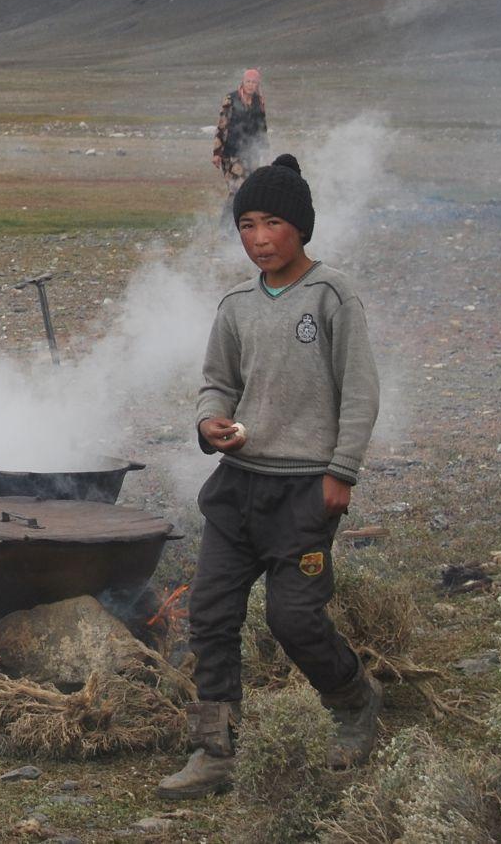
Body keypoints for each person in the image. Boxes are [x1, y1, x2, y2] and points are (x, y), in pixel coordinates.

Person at [159, 154, 383, 800]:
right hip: (237, 487)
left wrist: (342, 472)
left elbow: (360, 391)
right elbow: (217, 382)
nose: (259, 237)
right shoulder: (235, 305)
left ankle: (353, 701)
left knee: (293, 616)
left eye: (273, 222)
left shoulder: (332, 295)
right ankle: (215, 747)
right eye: (247, 224)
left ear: (302, 227)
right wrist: (210, 424)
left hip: (305, 489)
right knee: (209, 612)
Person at [212, 69, 268, 193]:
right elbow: (222, 125)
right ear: (243, 82)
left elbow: (262, 127)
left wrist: (264, 149)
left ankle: (239, 212)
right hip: (231, 153)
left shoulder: (259, 101)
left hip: (251, 153)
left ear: (257, 84)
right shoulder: (231, 99)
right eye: (248, 81)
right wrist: (217, 153)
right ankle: (229, 213)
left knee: (250, 190)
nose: (250, 85)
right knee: (236, 190)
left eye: (254, 82)